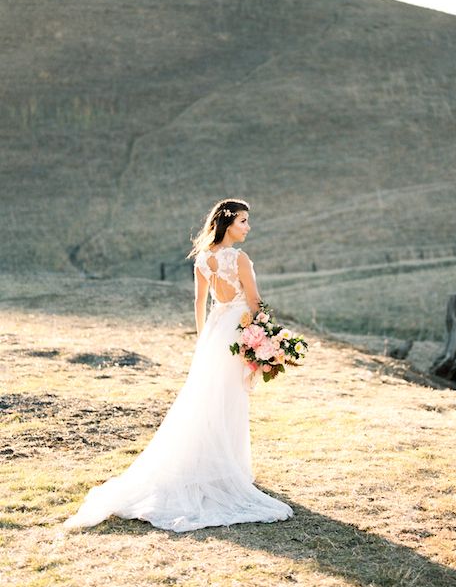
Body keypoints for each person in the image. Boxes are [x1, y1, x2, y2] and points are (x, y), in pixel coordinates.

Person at [64, 198, 293, 532]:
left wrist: (204, 341)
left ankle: (216, 466)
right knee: (230, 400)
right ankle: (230, 472)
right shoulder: (240, 259)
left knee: (207, 401)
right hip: (238, 330)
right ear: (228, 222)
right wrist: (266, 337)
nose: (248, 227)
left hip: (216, 334)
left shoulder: (203, 258)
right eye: (243, 221)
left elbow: (200, 302)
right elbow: (255, 302)